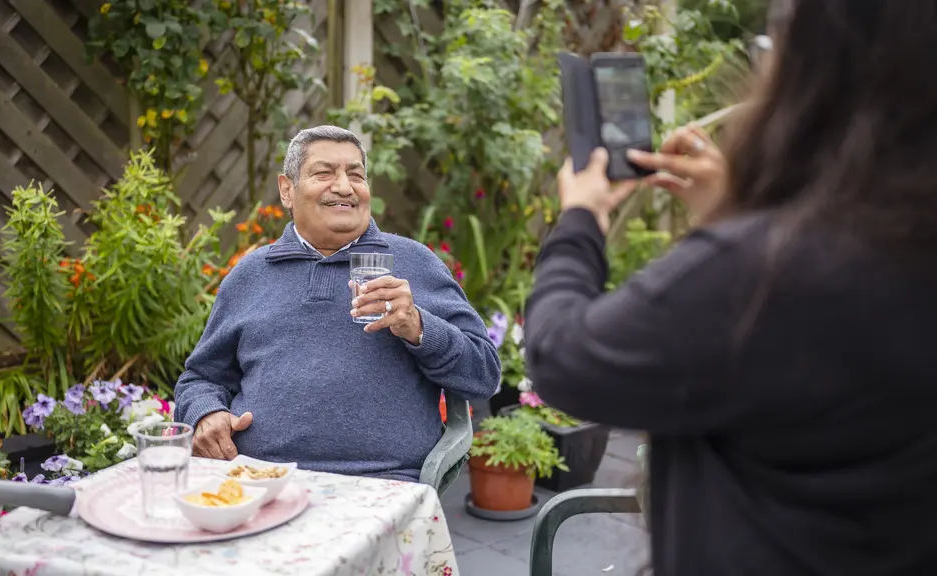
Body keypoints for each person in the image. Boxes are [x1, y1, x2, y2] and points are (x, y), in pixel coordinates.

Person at [525, 1, 937, 574]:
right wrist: (737, 211)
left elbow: (562, 356)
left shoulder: (767, 273)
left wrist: (580, 223)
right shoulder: (898, 249)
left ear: (817, 73)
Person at [175, 125, 500, 483]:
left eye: (356, 175)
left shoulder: (413, 263)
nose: (344, 186)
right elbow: (200, 377)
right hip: (259, 479)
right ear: (287, 190)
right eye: (324, 173)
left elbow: (483, 375)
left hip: (380, 483)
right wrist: (206, 414)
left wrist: (419, 327)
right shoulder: (251, 274)